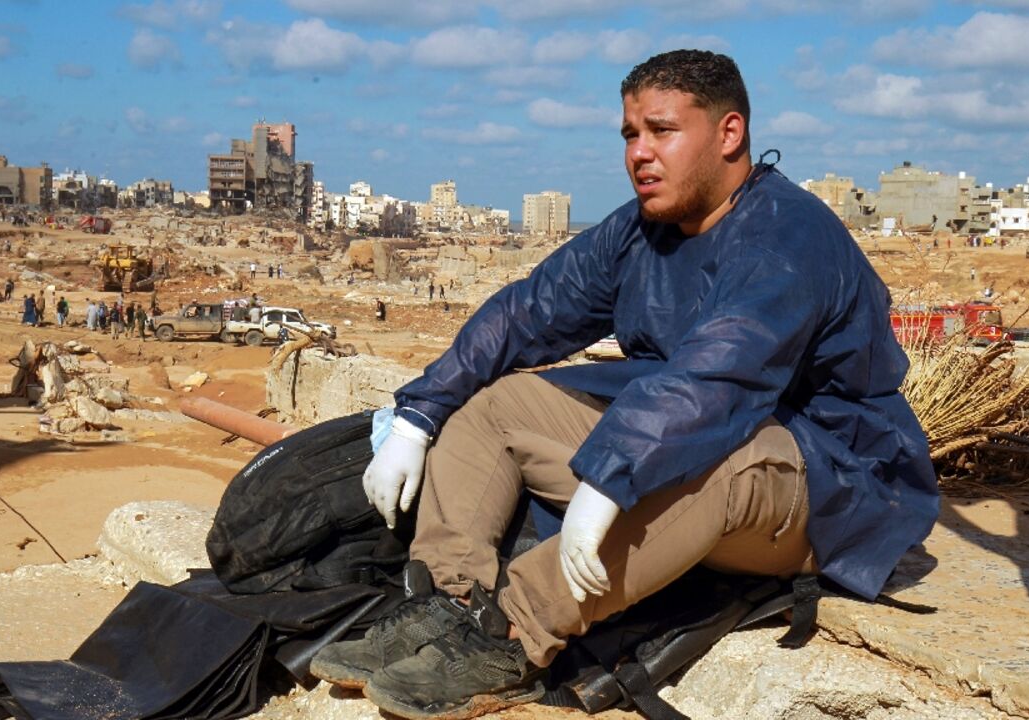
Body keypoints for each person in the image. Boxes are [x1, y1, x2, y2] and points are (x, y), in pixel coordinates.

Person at [314, 50, 938, 719]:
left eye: (662, 131)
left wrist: (612, 477)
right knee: (495, 406)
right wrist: (420, 416)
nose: (639, 153)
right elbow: (527, 312)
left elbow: (718, 379)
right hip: (690, 437)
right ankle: (448, 607)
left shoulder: (785, 237)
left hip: (825, 480)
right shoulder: (643, 230)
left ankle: (513, 639)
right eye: (629, 135)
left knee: (716, 460)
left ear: (729, 134)